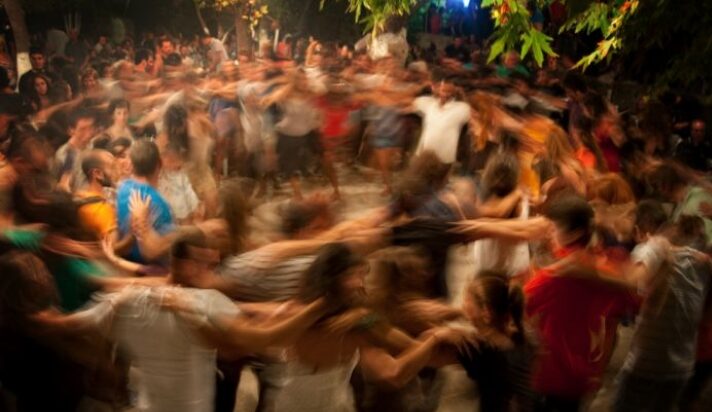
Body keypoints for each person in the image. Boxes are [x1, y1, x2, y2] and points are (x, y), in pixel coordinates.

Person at [524, 195, 638, 411]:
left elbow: (517, 304)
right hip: (582, 368)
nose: (549, 234)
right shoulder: (597, 264)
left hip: (554, 370)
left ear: (575, 233)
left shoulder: (557, 275)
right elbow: (627, 301)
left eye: (554, 229)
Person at [612, 203, 712, 411]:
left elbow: (633, 280)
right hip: (682, 366)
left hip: (646, 363)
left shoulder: (654, 249)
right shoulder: (703, 265)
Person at [115, 138, 175, 265]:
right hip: (150, 268)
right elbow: (165, 252)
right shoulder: (161, 205)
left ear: (131, 164)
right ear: (159, 164)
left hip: (125, 260)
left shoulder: (122, 188)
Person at [413, 81, 472, 165]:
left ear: (454, 92)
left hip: (445, 157)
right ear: (437, 90)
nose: (446, 94)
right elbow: (410, 103)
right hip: (425, 152)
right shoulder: (429, 103)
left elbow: (473, 113)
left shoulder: (462, 108)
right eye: (443, 90)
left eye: (449, 92)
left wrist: (463, 95)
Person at [54, 108, 97, 192]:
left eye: (91, 127)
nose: (89, 133)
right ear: (71, 130)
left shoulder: (93, 144)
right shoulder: (65, 154)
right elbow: (63, 187)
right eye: (83, 129)